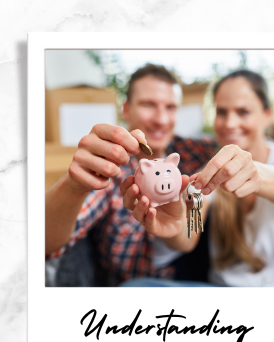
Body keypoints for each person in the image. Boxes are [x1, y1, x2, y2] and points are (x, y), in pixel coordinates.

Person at [45, 64, 255, 285]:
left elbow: (242, 144)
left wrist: (242, 157)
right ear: (126, 110)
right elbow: (42, 244)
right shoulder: (109, 171)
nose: (161, 119)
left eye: (170, 107)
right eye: (148, 105)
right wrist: (73, 186)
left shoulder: (195, 151)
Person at [121, 69, 274, 286]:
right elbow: (188, 236)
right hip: (223, 291)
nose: (229, 123)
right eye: (222, 112)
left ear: (267, 115)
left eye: (243, 112)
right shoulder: (211, 169)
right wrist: (173, 224)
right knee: (136, 288)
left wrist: (253, 172)